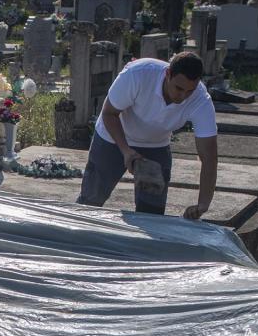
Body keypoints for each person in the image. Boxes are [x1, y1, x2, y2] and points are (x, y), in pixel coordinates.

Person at [78, 51, 218, 218]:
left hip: (155, 146)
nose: (183, 96)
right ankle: (72, 240)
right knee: (91, 200)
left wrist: (203, 204)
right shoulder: (138, 74)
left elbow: (209, 156)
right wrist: (126, 150)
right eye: (179, 88)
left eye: (189, 91)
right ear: (168, 74)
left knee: (152, 214)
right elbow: (109, 113)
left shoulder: (200, 100)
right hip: (113, 138)